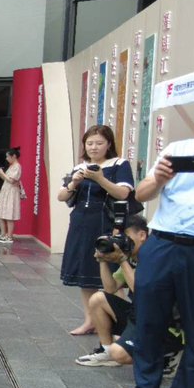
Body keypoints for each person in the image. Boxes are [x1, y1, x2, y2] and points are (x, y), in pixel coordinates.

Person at [115, 86, 194, 388]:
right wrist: (160, 179)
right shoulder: (179, 150)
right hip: (162, 244)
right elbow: (142, 193)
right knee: (149, 321)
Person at [75, 215, 182, 369]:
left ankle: (168, 356)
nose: (122, 242)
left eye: (126, 236)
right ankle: (106, 351)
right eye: (118, 238)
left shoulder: (154, 257)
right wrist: (103, 260)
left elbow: (143, 292)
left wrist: (122, 260)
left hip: (164, 324)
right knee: (97, 299)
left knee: (119, 354)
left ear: (142, 235)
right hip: (141, 315)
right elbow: (110, 288)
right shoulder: (131, 258)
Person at [57, 125, 134, 335]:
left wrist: (100, 178)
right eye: (89, 143)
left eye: (99, 143)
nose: (94, 147)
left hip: (107, 224)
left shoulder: (119, 164)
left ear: (109, 144)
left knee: (112, 276)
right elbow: (61, 196)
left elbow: (123, 193)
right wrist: (74, 182)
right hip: (81, 223)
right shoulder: (79, 167)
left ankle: (122, 324)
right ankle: (90, 321)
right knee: (85, 274)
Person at [0, 148, 24, 244]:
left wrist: (2, 173)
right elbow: (5, 179)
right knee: (0, 213)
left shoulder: (17, 166)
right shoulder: (11, 166)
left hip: (11, 192)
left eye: (7, 156)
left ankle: (9, 236)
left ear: (14, 156)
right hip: (5, 190)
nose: (6, 158)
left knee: (9, 214)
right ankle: (3, 234)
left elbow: (11, 180)